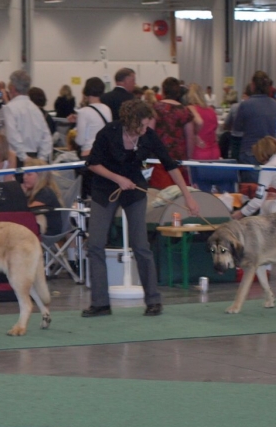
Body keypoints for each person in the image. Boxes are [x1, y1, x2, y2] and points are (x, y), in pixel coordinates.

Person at [82, 99, 200, 318]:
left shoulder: (148, 137)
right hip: (103, 189)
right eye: (144, 125)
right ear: (132, 122)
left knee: (141, 245)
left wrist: (188, 196)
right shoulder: (109, 133)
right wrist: (118, 179)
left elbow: (170, 165)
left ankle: (153, 300)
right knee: (95, 244)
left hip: (135, 189)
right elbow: (92, 163)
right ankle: (100, 303)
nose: (147, 129)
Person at [150, 77, 195, 189]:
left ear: (163, 91)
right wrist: (188, 159)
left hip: (158, 160)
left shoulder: (155, 108)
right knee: (179, 196)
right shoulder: (185, 111)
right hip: (178, 160)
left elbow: (148, 132)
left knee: (160, 195)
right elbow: (190, 137)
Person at [0, 70, 52, 164]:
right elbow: (46, 137)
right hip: (36, 156)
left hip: (17, 158)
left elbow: (12, 137)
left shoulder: (9, 108)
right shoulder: (36, 109)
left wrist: (24, 158)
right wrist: (41, 158)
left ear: (12, 88)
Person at [234, 70, 276, 183]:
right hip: (269, 152)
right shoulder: (274, 104)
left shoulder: (245, 105)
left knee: (250, 189)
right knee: (267, 187)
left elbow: (237, 127)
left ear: (253, 85)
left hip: (250, 150)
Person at [22, 157, 63, 236]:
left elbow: (28, 211)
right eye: (24, 174)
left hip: (47, 231)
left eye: (29, 174)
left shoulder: (45, 192)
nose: (24, 177)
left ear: (40, 177)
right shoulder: (32, 191)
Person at [73, 77, 112, 158]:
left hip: (89, 153)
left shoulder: (83, 112)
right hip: (105, 153)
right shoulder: (107, 109)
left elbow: (80, 141)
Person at [186, 83, 220, 161]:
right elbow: (215, 128)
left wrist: (195, 135)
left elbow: (199, 122)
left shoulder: (190, 109)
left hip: (199, 150)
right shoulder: (211, 110)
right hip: (214, 150)